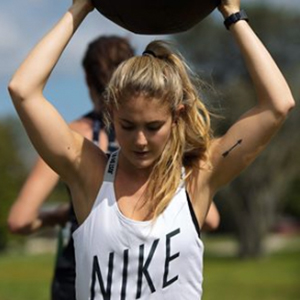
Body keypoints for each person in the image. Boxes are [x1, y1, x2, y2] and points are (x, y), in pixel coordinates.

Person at [8, 0, 294, 298]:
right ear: (110, 114)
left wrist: (232, 13)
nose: (140, 140)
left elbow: (278, 105)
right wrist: (80, 8)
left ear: (177, 116)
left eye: (153, 126)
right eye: (128, 126)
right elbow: (23, 90)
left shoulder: (198, 177)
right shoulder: (89, 175)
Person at [7, 35, 135, 300]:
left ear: (88, 80)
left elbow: (19, 220)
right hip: (137, 272)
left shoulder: (71, 136)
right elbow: (210, 218)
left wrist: (62, 215)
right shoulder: (152, 136)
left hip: (77, 277)